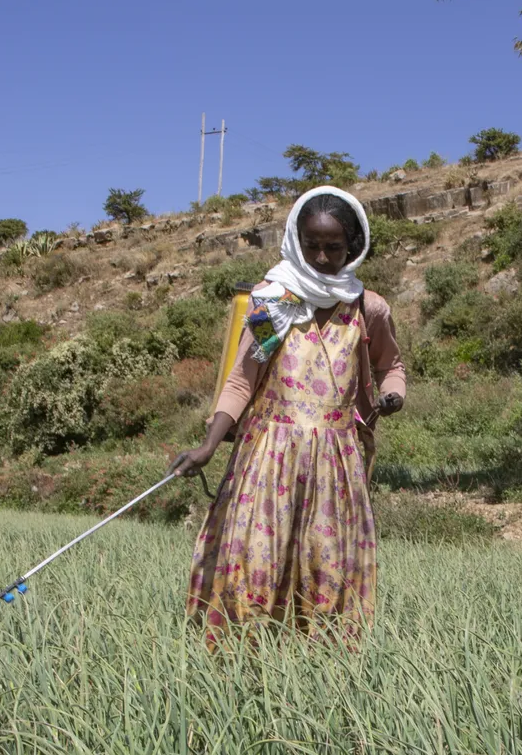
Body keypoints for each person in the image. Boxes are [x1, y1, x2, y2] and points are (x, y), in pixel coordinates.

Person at [171, 186, 406, 640]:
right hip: (267, 459)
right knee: (256, 562)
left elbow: (390, 366)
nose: (321, 257)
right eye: (312, 245)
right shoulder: (272, 301)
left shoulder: (368, 308)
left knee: (327, 568)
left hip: (334, 463)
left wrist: (392, 395)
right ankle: (242, 667)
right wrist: (208, 445)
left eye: (333, 247)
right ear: (296, 242)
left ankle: (322, 674)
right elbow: (242, 379)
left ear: (353, 246)